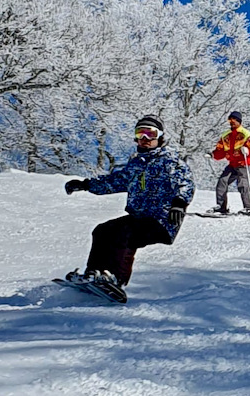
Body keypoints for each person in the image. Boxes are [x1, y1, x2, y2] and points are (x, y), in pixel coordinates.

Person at [63, 114, 194, 295]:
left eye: (150, 133)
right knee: (102, 230)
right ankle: (94, 274)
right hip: (139, 217)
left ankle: (116, 279)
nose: (145, 139)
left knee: (125, 233)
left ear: (160, 137)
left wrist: (179, 203)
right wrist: (85, 185)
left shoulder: (170, 161)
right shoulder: (136, 164)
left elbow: (185, 183)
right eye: (140, 133)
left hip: (162, 219)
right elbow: (115, 181)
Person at [210, 110, 250, 215]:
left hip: (244, 163)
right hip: (232, 164)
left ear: (239, 121)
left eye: (234, 119)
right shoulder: (225, 136)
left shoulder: (245, 134)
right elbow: (220, 151)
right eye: (230, 119)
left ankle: (248, 208)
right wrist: (213, 154)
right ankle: (221, 207)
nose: (232, 121)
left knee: (243, 184)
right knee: (222, 181)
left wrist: (248, 151)